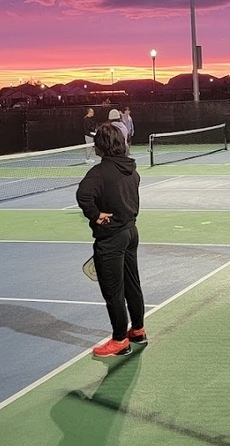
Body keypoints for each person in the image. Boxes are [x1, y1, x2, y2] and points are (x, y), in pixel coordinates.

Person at [75, 122, 145, 357]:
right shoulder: (131, 170)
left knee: (114, 292)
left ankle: (119, 340)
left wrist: (95, 215)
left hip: (112, 240)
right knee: (132, 285)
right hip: (131, 233)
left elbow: (83, 195)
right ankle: (138, 330)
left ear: (101, 145)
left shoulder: (99, 172)